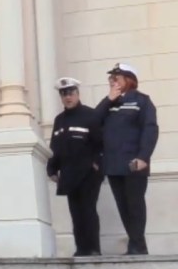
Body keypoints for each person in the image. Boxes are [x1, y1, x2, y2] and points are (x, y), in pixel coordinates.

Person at [96, 63, 158, 255]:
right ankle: (137, 245)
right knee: (123, 205)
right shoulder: (109, 103)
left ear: (129, 79)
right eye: (111, 78)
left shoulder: (142, 101)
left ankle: (137, 245)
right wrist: (108, 100)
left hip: (134, 163)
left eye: (117, 77)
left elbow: (150, 129)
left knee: (135, 204)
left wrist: (143, 156)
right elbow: (93, 122)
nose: (112, 81)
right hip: (113, 164)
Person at [47, 78, 104, 256]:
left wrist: (97, 165)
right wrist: (51, 168)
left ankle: (93, 248)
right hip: (69, 174)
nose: (68, 97)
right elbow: (55, 146)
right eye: (64, 94)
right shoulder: (59, 120)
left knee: (88, 210)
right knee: (76, 212)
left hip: (88, 173)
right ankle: (81, 248)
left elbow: (101, 143)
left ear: (78, 94)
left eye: (71, 93)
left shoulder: (90, 115)